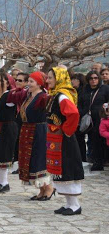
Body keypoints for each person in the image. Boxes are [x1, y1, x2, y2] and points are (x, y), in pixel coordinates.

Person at [7, 72, 54, 200]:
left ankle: (48, 188)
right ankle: (41, 189)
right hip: (27, 130)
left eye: (32, 82)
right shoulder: (29, 96)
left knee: (39, 159)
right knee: (31, 160)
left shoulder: (42, 97)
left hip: (39, 131)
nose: (29, 84)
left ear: (39, 83)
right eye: (29, 81)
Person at [46, 67, 85, 216]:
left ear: (60, 78)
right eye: (48, 77)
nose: (48, 80)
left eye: (51, 78)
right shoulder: (55, 95)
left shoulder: (62, 96)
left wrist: (67, 131)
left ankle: (75, 205)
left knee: (68, 168)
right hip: (56, 138)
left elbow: (74, 114)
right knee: (61, 171)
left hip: (64, 139)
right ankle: (69, 203)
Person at [80, 70, 109, 171]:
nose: (93, 80)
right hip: (88, 120)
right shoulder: (85, 90)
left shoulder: (105, 89)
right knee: (91, 141)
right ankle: (94, 160)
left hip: (100, 119)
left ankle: (99, 163)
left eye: (95, 78)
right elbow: (81, 103)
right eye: (91, 78)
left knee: (99, 141)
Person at [70, 72, 87, 162]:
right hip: (73, 118)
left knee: (80, 140)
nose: (72, 81)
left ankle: (82, 159)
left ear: (79, 81)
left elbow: (84, 106)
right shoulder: (72, 91)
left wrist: (77, 113)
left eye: (74, 79)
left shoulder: (83, 92)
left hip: (79, 118)